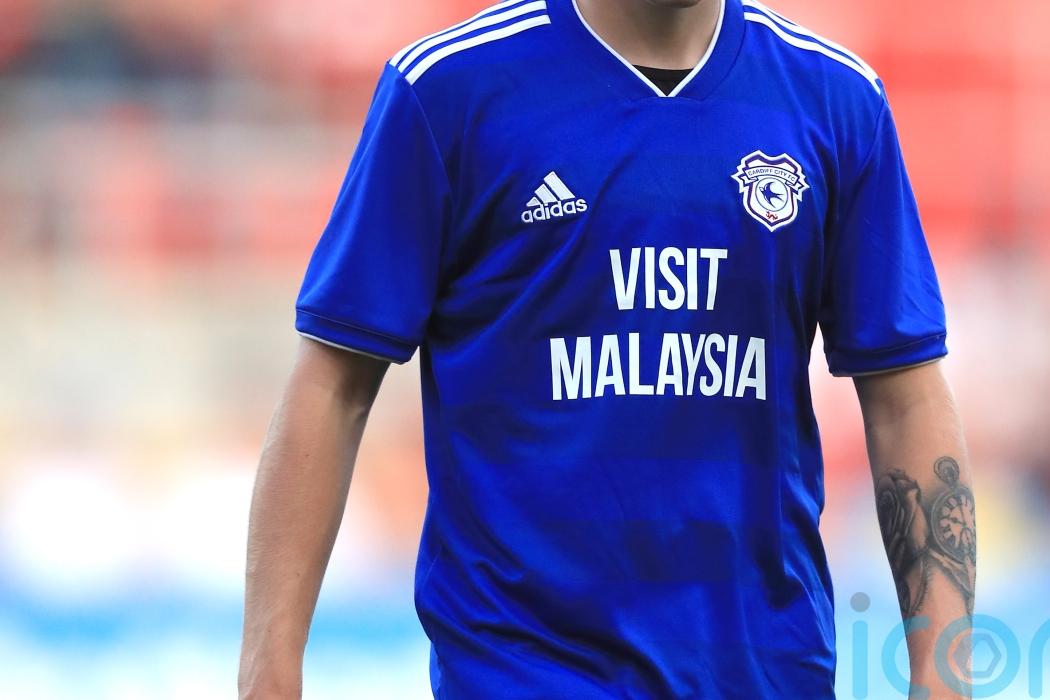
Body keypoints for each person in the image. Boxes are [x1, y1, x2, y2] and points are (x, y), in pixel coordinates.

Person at [238, 0, 976, 697]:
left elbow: (905, 400)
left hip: (764, 672)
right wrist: (268, 675)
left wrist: (944, 675)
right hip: (522, 672)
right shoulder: (449, 89)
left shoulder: (835, 100)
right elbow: (333, 386)